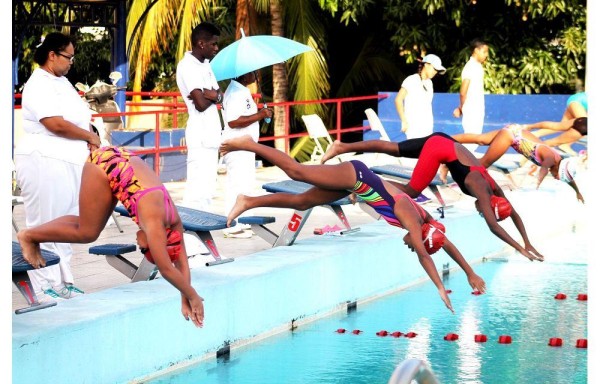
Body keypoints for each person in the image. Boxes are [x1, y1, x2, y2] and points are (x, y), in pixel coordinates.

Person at [220, 136, 486, 313]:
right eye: (418, 244)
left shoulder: (426, 221)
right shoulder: (410, 217)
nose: (412, 246)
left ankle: (248, 201)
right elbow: (423, 254)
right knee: (297, 171)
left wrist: (470, 273)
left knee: (302, 202)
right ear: (423, 237)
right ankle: (248, 144)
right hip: (354, 175)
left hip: (358, 184)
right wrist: (440, 287)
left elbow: (446, 244)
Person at [16, 146, 205, 327]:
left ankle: (33, 235)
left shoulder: (173, 224)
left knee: (88, 225)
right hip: (106, 165)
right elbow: (166, 269)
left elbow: (182, 264)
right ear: (155, 243)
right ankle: (29, 236)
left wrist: (185, 297)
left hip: (120, 159)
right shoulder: (155, 226)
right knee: (87, 232)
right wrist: (194, 296)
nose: (138, 244)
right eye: (143, 249)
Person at [320, 133, 545, 262]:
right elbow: (493, 226)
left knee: (394, 148)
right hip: (439, 149)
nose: (480, 211)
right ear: (490, 206)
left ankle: (342, 146)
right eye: (483, 210)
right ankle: (364, 181)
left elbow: (513, 212)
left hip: (444, 141)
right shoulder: (480, 189)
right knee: (411, 192)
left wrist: (527, 241)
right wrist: (520, 248)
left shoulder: (493, 187)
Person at [14, 32, 101, 301]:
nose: (72, 61)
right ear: (52, 55)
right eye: (69, 56)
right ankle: (43, 286)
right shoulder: (39, 83)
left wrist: (91, 135)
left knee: (66, 221)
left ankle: (64, 280)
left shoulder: (61, 82)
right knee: (45, 222)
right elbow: (54, 123)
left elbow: (79, 118)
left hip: (69, 161)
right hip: (44, 159)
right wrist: (89, 137)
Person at [453, 124, 584, 203]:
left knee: (480, 140)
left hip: (515, 131)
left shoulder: (558, 161)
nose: (556, 178)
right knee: (483, 164)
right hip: (512, 136)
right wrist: (539, 180)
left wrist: (578, 192)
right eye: (558, 177)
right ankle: (456, 172)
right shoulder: (550, 158)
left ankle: (445, 140)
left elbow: (569, 180)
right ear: (559, 170)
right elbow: (544, 167)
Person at [176, 22, 223, 211]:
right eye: (213, 44)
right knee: (196, 192)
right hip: (200, 136)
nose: (216, 48)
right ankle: (189, 238)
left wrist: (213, 95)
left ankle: (202, 237)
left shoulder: (206, 65)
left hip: (211, 136)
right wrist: (212, 96)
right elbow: (201, 104)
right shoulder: (187, 66)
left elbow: (219, 94)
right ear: (201, 43)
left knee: (208, 190)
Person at [221, 71, 273, 238]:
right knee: (236, 184)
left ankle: (241, 221)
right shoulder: (236, 93)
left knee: (244, 184)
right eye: (253, 72)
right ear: (244, 75)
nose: (256, 75)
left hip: (245, 146)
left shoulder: (240, 90)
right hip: (237, 146)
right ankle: (231, 226)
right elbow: (233, 121)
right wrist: (260, 114)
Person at [395, 54, 446, 140]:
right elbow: (398, 100)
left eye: (437, 70)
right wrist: (404, 121)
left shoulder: (430, 83)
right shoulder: (412, 80)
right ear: (426, 65)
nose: (435, 72)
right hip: (414, 128)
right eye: (434, 68)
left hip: (427, 128)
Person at [453, 39, 489, 153]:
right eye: (484, 52)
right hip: (472, 108)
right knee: (472, 139)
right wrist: (461, 107)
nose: (486, 55)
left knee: (473, 139)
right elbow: (463, 91)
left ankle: (456, 162)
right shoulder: (470, 67)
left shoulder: (477, 66)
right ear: (476, 51)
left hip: (476, 108)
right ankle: (451, 162)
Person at [528, 92, 587, 156]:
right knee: (583, 126)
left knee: (563, 125)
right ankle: (564, 145)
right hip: (580, 101)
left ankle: (535, 133)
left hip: (578, 99)